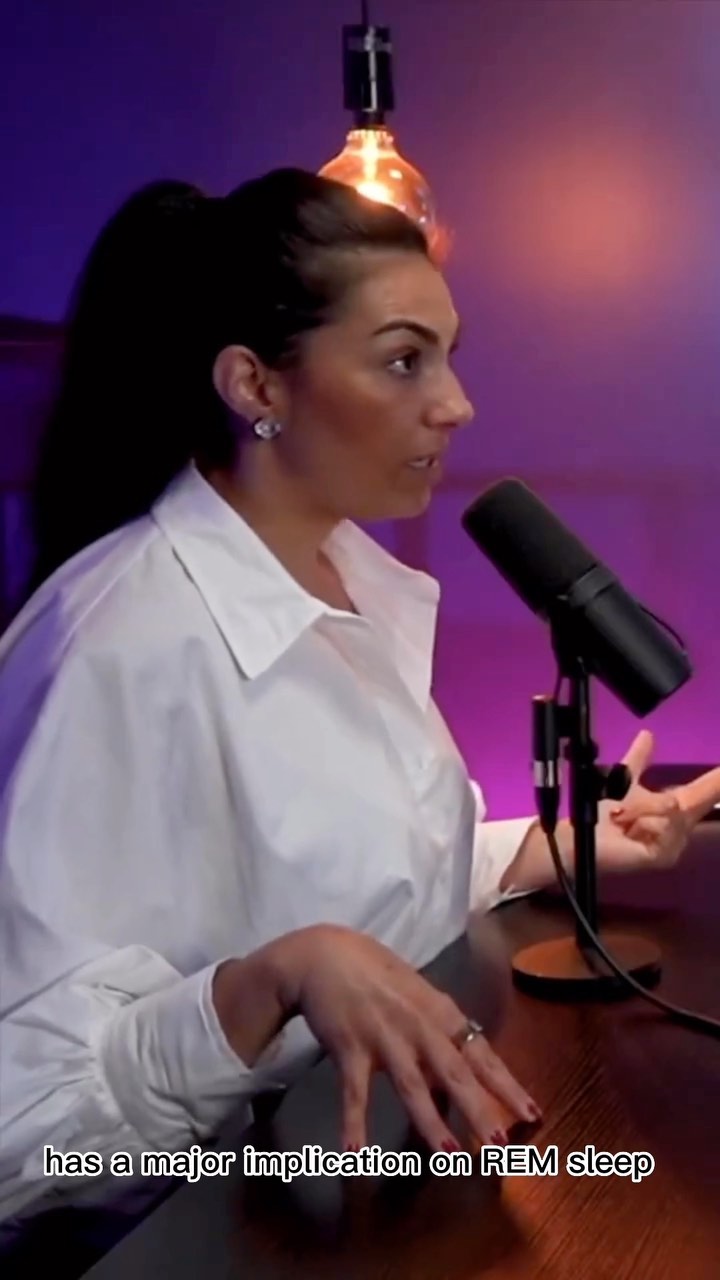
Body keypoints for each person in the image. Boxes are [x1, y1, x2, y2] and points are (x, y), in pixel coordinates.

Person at [0, 167, 718, 1248]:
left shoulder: (354, 581)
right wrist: (271, 983)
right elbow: (23, 1132)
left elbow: (352, 877)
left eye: (450, 355)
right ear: (255, 385)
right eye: (402, 360)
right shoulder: (114, 648)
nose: (456, 403)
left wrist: (552, 847)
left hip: (376, 1178)